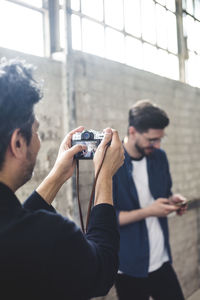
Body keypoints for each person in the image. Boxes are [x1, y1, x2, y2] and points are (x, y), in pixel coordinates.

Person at [0, 58, 124, 300]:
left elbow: (15, 224)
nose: (38, 141)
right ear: (17, 142)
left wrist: (57, 176)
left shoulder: (15, 231)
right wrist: (104, 176)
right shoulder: (51, 234)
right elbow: (102, 269)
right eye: (35, 131)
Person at [113, 100, 187, 300]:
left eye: (160, 139)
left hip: (160, 259)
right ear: (133, 131)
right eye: (152, 140)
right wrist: (148, 211)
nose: (157, 145)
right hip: (129, 266)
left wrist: (174, 200)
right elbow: (108, 218)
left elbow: (165, 193)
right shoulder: (111, 162)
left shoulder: (159, 157)